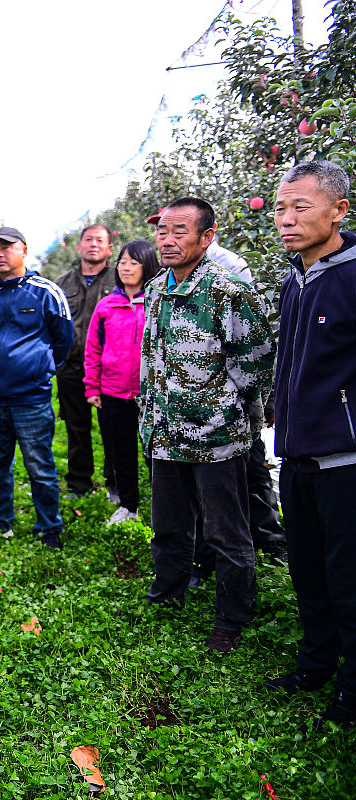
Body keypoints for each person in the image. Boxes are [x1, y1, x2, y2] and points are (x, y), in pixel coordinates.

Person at [140, 198, 275, 654]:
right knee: (169, 525)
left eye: (180, 231)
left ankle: (232, 617)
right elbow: (152, 360)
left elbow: (254, 363)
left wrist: (217, 405)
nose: (168, 239)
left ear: (207, 237)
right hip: (164, 432)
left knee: (226, 531)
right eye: (163, 231)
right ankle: (168, 595)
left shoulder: (226, 290)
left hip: (215, 436)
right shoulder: (157, 288)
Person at [265, 160, 356, 729]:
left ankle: (353, 691)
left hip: (345, 461)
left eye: (301, 207)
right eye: (280, 208)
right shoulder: (295, 279)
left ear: (339, 210)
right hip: (296, 456)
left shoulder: (352, 277)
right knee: (308, 571)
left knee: (348, 580)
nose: (287, 219)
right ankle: (317, 662)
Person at [0, 226, 73, 547]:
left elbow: (63, 341)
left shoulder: (46, 292)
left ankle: (49, 527)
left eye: (7, 247)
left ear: (24, 251)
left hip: (31, 398)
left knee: (39, 465)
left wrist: (37, 369)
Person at [83, 240, 160, 526]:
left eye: (134, 263)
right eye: (123, 262)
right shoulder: (107, 305)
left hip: (149, 393)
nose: (126, 268)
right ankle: (129, 506)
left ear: (148, 266)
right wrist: (92, 387)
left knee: (155, 453)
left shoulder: (157, 301)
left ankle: (164, 506)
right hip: (113, 392)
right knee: (121, 451)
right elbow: (92, 349)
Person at [55, 225, 118, 499]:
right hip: (71, 367)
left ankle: (114, 481)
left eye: (100, 240)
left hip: (109, 370)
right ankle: (79, 483)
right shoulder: (62, 283)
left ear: (109, 249)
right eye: (88, 239)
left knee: (112, 427)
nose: (94, 244)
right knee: (76, 427)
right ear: (79, 246)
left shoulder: (119, 278)